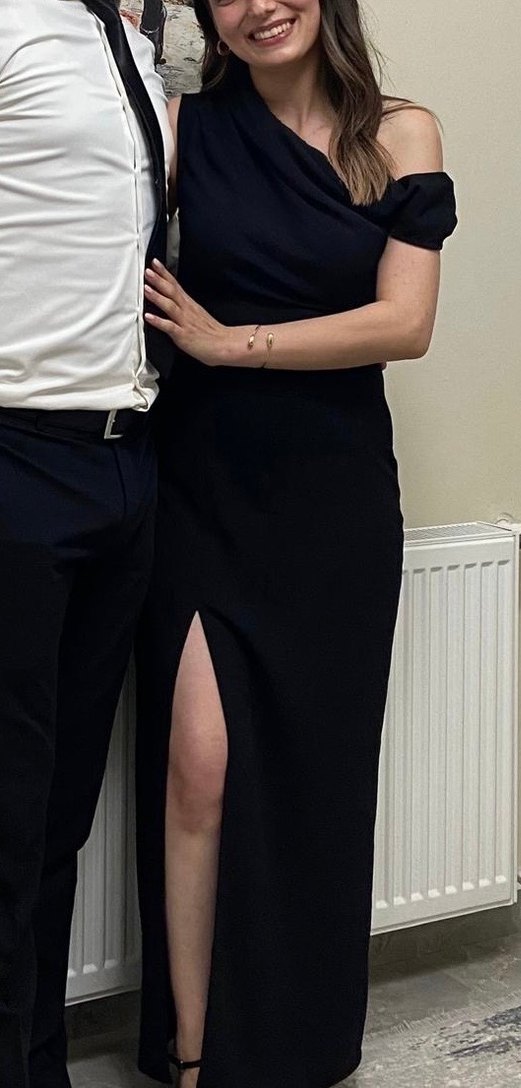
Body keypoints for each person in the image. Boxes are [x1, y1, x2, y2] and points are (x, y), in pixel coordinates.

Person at [135, 0, 457, 1085]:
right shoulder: (185, 125)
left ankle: (301, 1044)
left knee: (317, 779)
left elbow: (404, 324)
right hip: (200, 485)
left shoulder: (401, 132)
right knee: (196, 768)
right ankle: (193, 1053)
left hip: (333, 502)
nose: (258, 5)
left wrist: (232, 344)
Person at [0, 2, 172, 1085]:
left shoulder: (137, 45)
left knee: (60, 809)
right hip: (17, 450)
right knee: (6, 814)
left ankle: (39, 1060)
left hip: (125, 459)